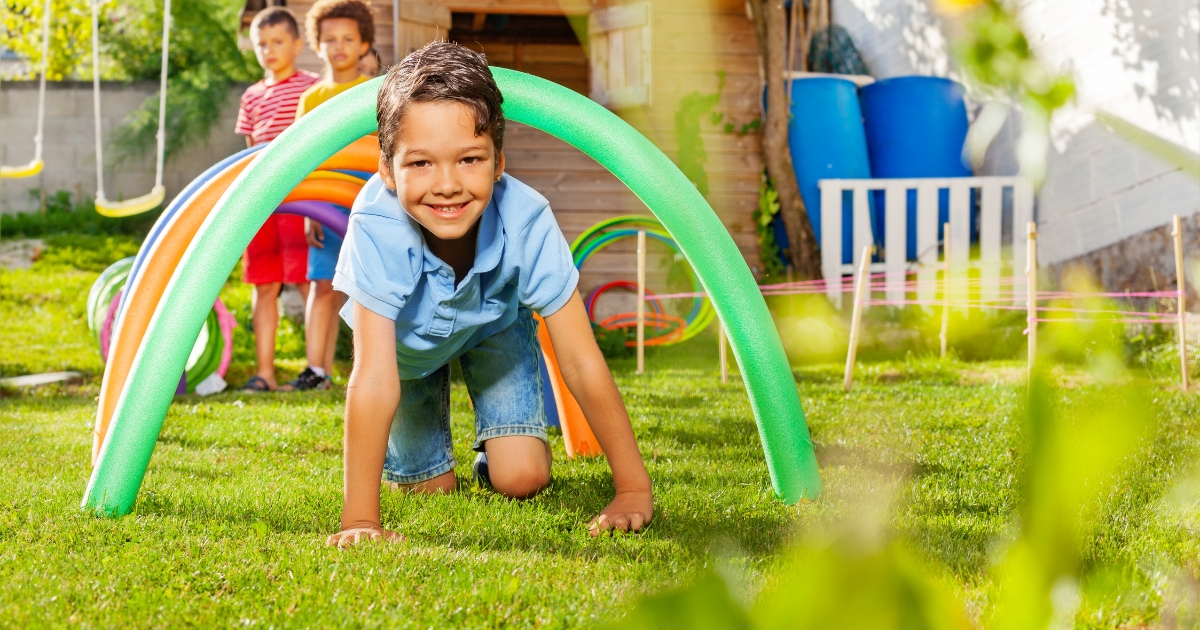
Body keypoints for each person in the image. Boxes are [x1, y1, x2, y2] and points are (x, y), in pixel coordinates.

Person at [325, 43, 654, 547]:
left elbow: (582, 363)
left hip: (491, 327)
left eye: (469, 158)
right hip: (405, 355)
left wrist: (632, 489)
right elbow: (372, 378)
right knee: (430, 490)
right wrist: (360, 520)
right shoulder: (376, 226)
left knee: (522, 479)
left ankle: (499, 450)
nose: (448, 185)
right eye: (421, 164)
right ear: (387, 170)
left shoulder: (527, 219)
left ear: (499, 162)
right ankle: (421, 462)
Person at [283, 0, 375, 391]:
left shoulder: (374, 91)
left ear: (364, 44)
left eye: (348, 39)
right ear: (317, 45)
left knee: (368, 286)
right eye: (330, 39)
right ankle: (316, 371)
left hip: (368, 199)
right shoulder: (312, 98)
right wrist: (310, 213)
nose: (339, 46)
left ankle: (372, 367)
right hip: (326, 199)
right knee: (322, 284)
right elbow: (306, 159)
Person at [235, 6, 320, 392]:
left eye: (278, 42)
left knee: (307, 282)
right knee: (264, 286)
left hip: (301, 199)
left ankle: (313, 369)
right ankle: (265, 372)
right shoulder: (251, 96)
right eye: (261, 44)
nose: (269, 50)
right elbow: (250, 152)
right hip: (263, 203)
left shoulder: (312, 87)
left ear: (297, 44)